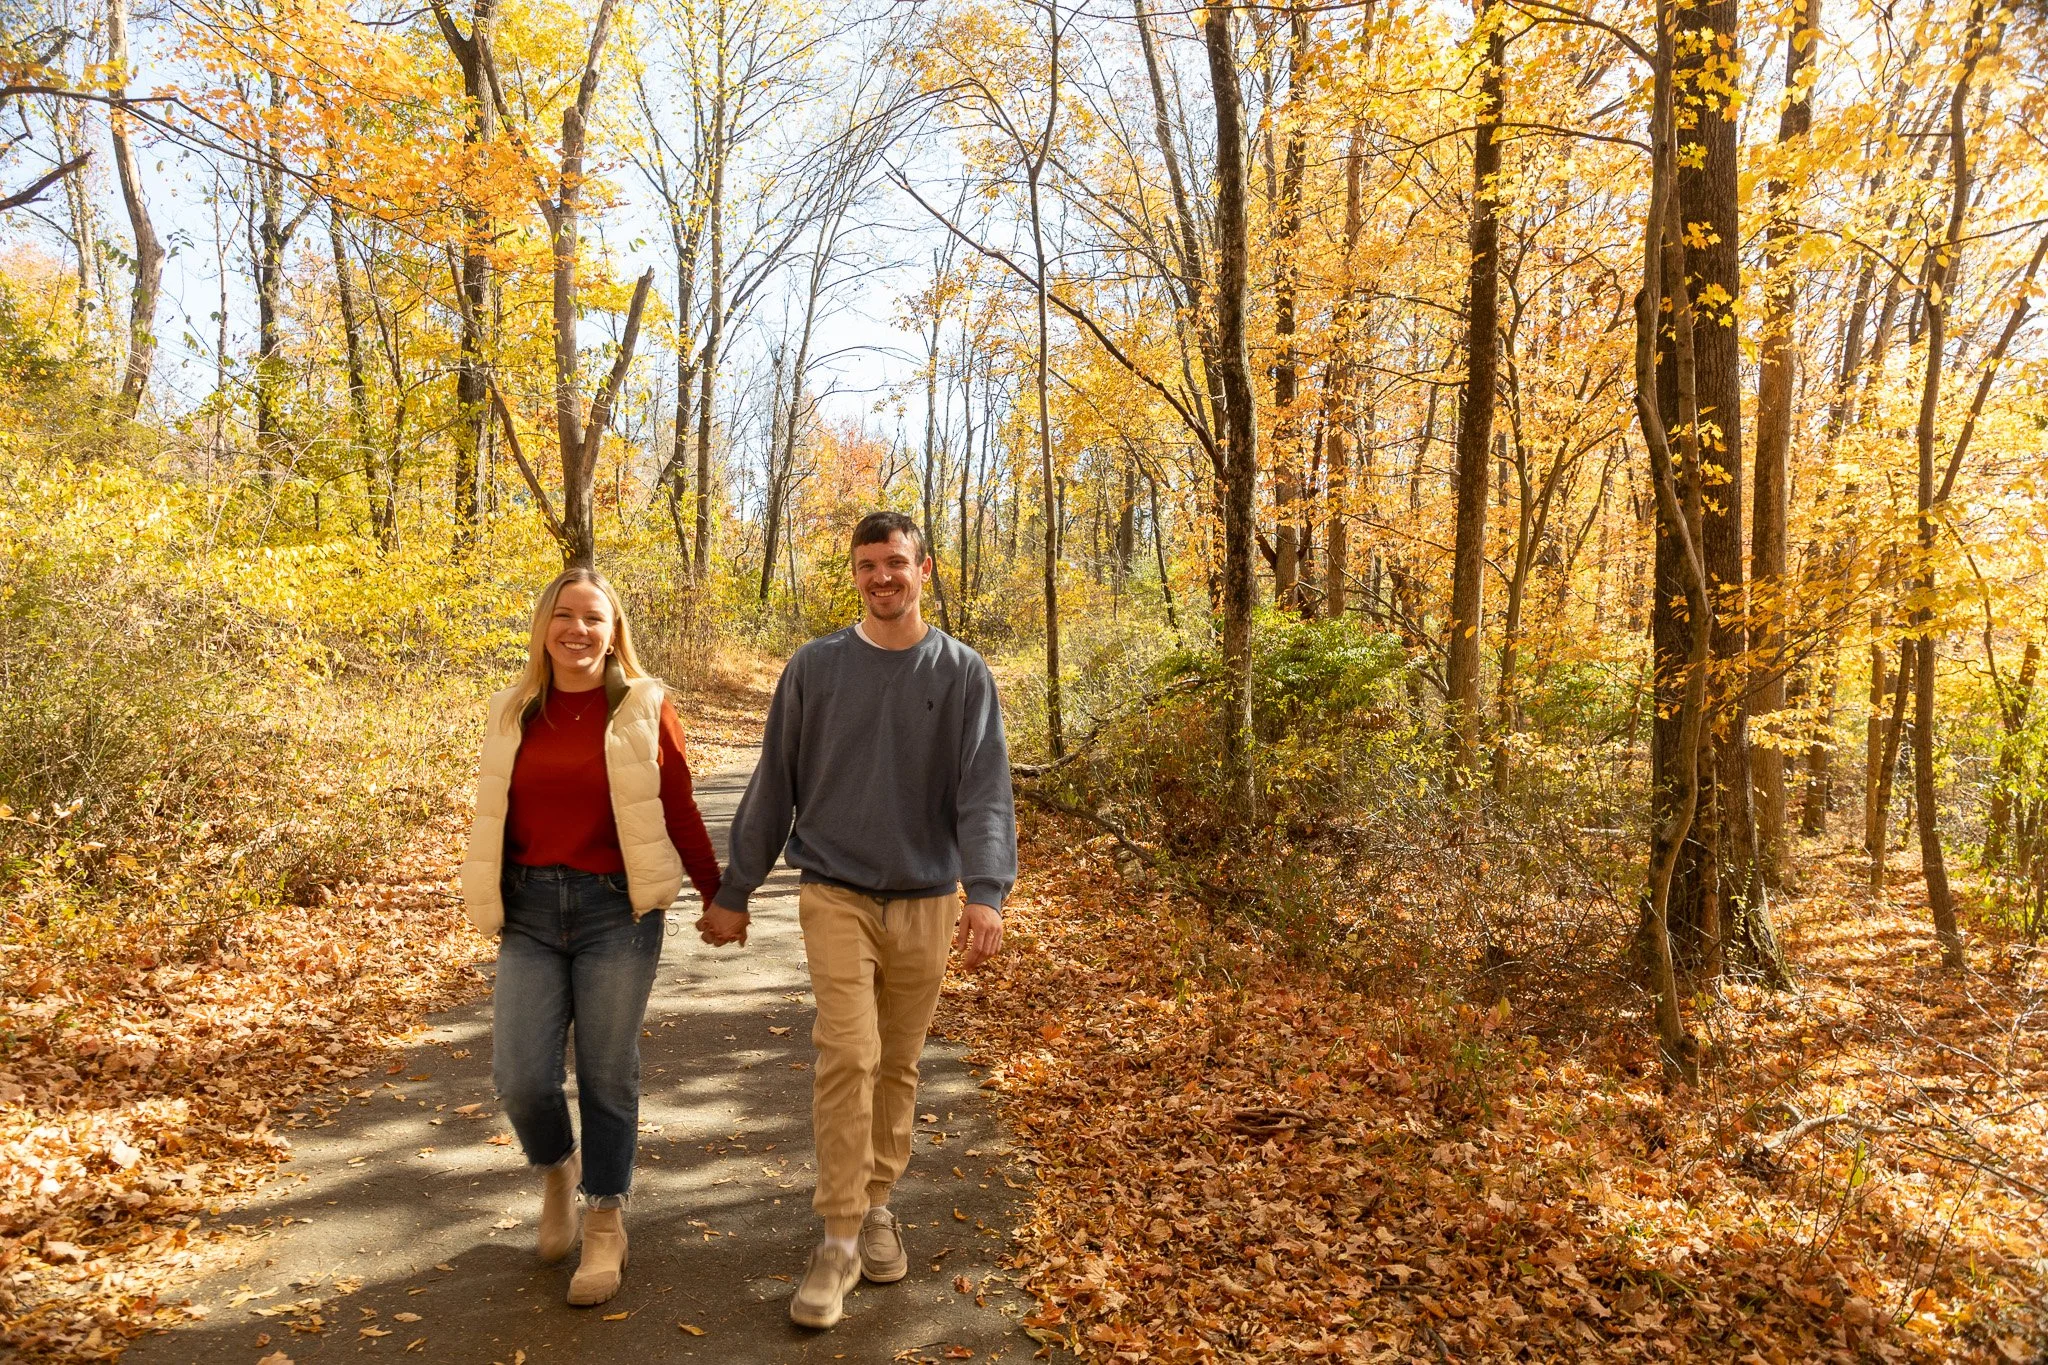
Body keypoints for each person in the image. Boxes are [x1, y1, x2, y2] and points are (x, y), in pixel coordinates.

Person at [698, 510, 1016, 1330]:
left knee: (899, 1066)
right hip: (834, 890)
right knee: (850, 1053)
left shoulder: (962, 671)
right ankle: (838, 1235)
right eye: (869, 563)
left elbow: (983, 789)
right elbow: (777, 782)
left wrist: (986, 888)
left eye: (897, 563)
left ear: (926, 568)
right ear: (855, 573)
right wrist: (736, 889)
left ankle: (877, 1203)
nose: (884, 577)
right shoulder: (816, 667)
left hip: (925, 900)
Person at [458, 567, 721, 1307]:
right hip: (531, 911)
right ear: (545, 625)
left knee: (608, 1072)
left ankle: (605, 1216)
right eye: (565, 616)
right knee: (521, 1075)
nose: (578, 630)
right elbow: (492, 815)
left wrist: (717, 893)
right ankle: (558, 1168)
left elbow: (678, 807)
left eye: (594, 618)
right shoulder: (513, 708)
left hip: (617, 911)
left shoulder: (644, 704)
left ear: (614, 632)